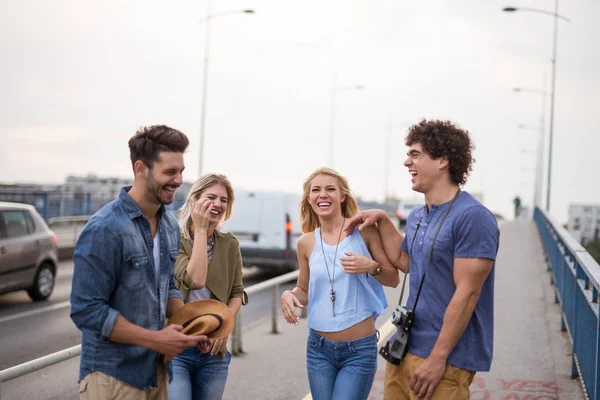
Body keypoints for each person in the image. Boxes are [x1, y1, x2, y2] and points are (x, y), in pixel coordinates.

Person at [345, 119, 500, 400]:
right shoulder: (418, 216)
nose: (407, 162)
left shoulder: (473, 218)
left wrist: (437, 359)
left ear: (442, 160)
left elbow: (467, 293)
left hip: (445, 360)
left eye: (415, 154)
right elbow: (407, 261)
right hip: (404, 348)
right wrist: (381, 218)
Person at [70, 125, 207, 400]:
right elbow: (86, 311)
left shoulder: (169, 225)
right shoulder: (104, 228)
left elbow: (166, 286)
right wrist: (157, 339)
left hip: (156, 372)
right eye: (170, 172)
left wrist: (195, 325)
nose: (179, 180)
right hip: (111, 378)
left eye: (181, 171)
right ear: (141, 168)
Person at [281, 167, 400, 400]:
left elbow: (393, 279)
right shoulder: (305, 243)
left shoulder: (364, 233)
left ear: (342, 196)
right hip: (318, 350)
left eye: (330, 189)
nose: (322, 195)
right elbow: (303, 290)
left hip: (358, 351)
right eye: (316, 190)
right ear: (309, 199)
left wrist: (370, 266)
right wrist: (289, 295)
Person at [169, 173, 247, 400]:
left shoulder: (230, 244)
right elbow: (194, 279)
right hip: (177, 348)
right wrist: (201, 230)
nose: (217, 204)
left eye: (223, 200)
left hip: (214, 352)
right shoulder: (174, 240)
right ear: (194, 200)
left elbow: (236, 293)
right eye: (211, 197)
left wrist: (223, 326)